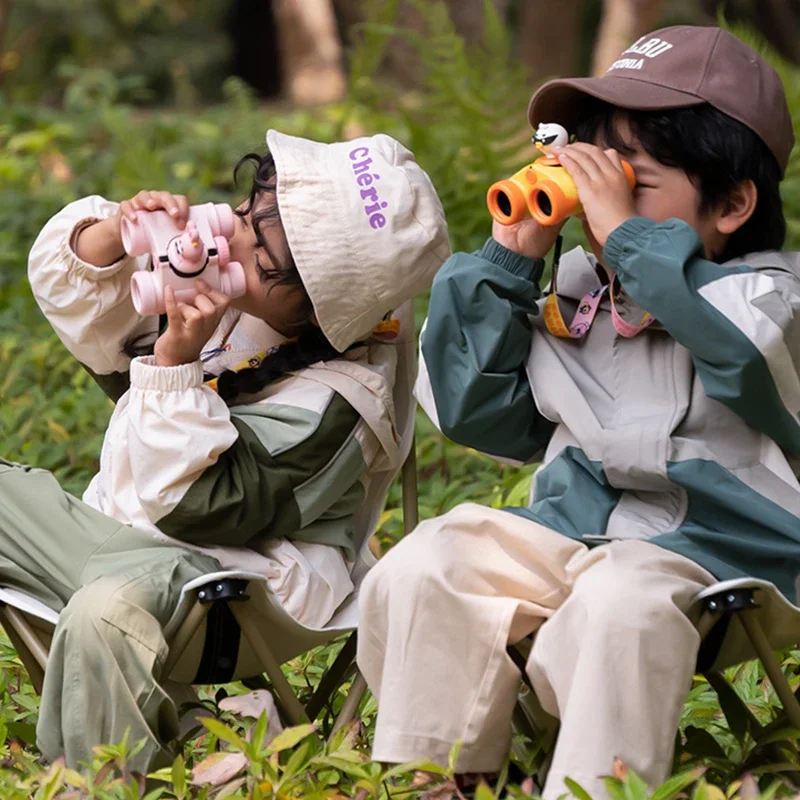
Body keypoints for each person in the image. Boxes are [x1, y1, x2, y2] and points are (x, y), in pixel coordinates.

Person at [357, 25, 800, 798]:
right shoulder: (582, 294)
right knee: (431, 558)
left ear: (731, 203)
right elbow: (473, 411)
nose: (600, 202)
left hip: (726, 559)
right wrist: (508, 260)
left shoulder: (768, 296)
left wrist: (629, 239)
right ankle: (439, 775)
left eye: (632, 180)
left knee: (617, 599)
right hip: (575, 540)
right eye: (589, 168)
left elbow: (741, 352)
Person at [2, 129, 449, 772]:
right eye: (246, 212)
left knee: (106, 610)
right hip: (125, 540)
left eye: (260, 255)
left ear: (320, 310)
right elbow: (93, 325)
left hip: (227, 591)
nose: (232, 238)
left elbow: (200, 505)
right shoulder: (233, 301)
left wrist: (177, 363)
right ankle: (207, 729)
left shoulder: (343, 397)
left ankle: (123, 766)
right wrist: (111, 237)